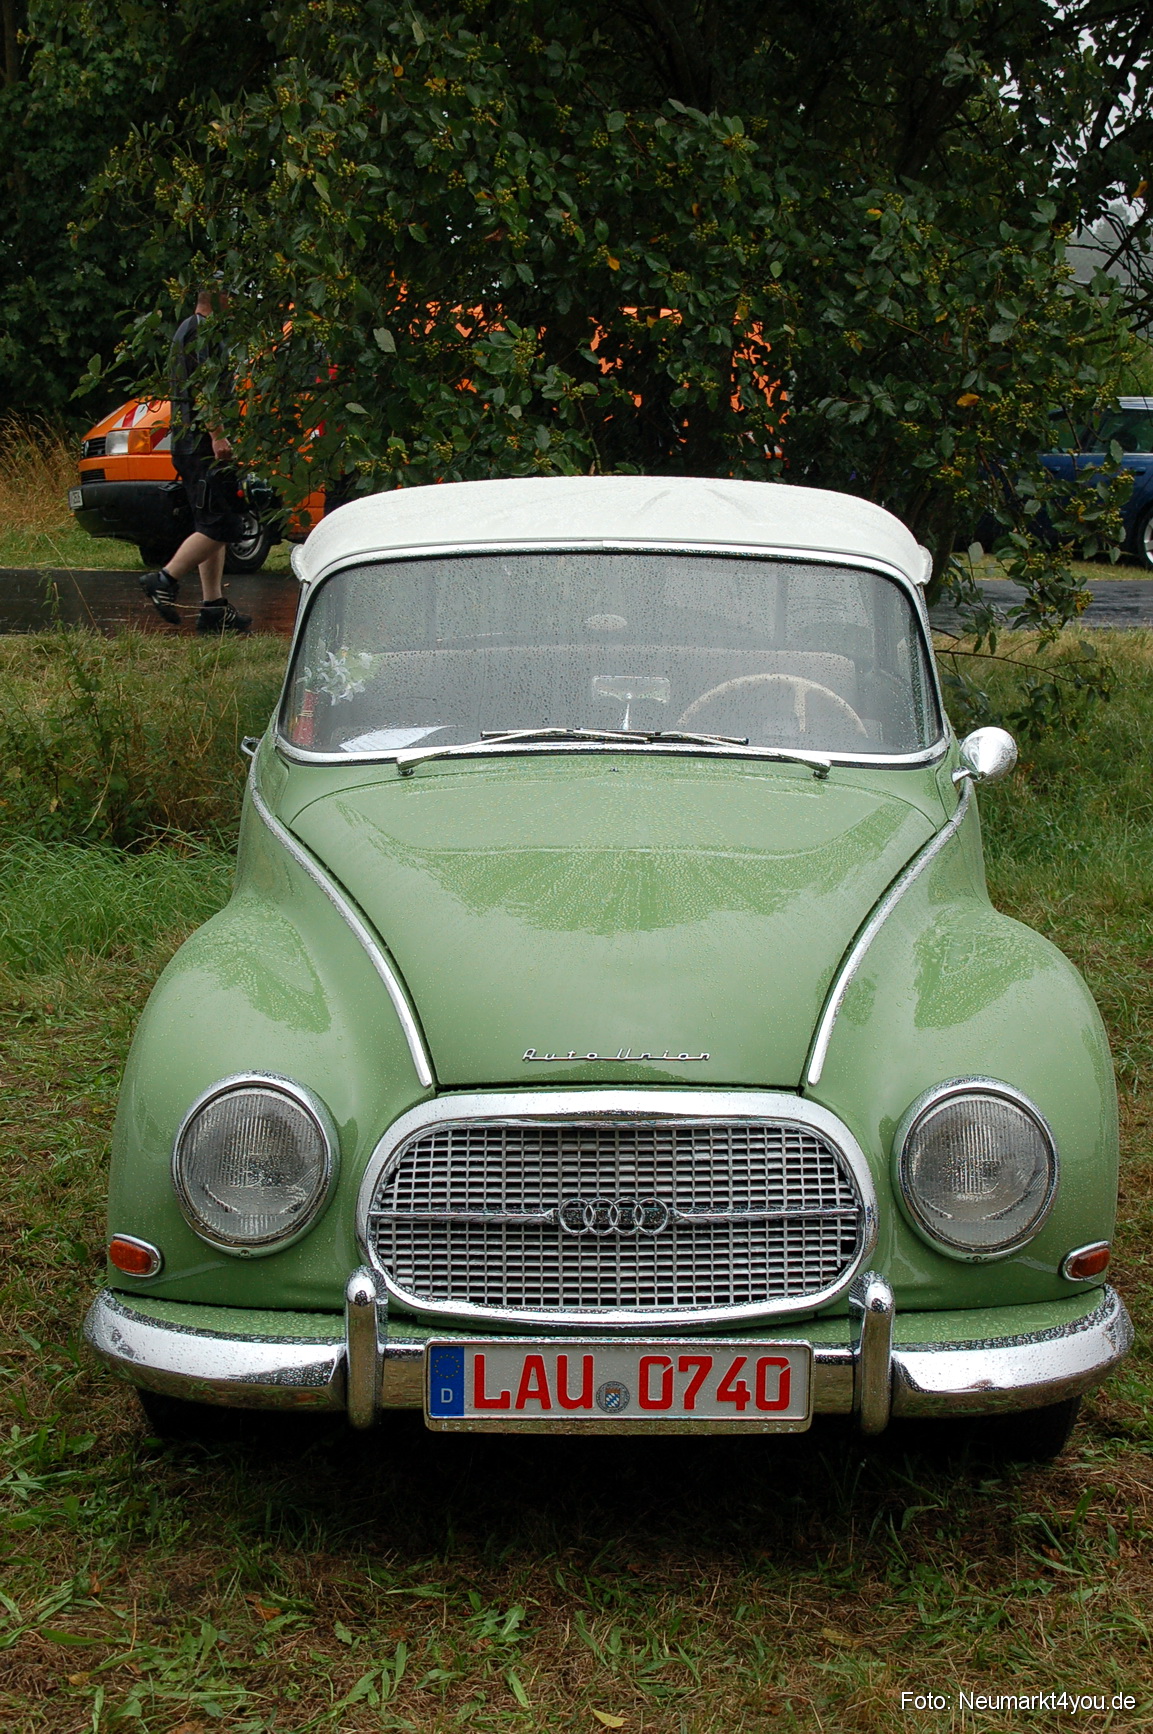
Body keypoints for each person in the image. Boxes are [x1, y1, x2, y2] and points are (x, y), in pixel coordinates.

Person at [139, 280, 252, 633]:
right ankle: (164, 580)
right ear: (218, 297)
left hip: (191, 441)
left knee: (210, 523)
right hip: (201, 442)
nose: (236, 304)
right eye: (232, 297)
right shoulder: (201, 331)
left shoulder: (188, 328)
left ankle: (213, 608)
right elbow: (205, 387)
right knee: (224, 524)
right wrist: (218, 434)